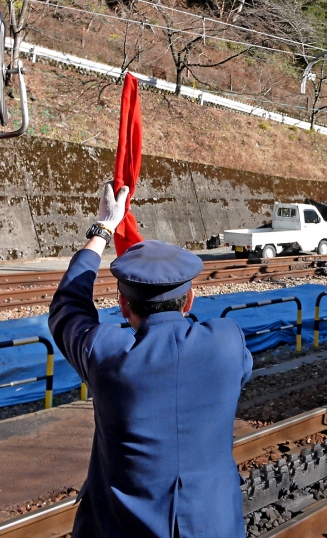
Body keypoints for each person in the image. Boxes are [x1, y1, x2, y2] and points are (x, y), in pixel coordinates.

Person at [49, 181, 253, 538]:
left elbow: (68, 305)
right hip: (213, 525)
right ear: (189, 301)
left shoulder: (107, 353)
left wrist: (103, 229)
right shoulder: (227, 342)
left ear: (124, 305)